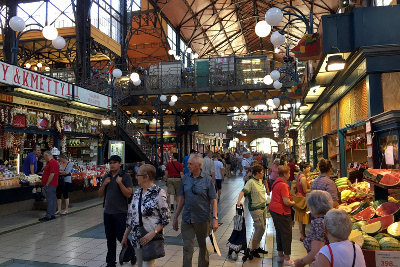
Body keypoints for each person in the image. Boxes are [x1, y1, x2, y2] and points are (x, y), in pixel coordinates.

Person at [173, 154, 219, 267]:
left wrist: (215, 218)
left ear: (199, 165)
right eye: (188, 163)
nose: (187, 166)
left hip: (202, 218)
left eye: (190, 164)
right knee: (187, 246)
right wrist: (175, 217)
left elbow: (213, 200)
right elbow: (182, 199)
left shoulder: (207, 179)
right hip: (187, 217)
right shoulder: (185, 178)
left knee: (204, 246)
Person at [122, 164, 170, 267]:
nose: (136, 177)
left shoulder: (158, 193)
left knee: (147, 265)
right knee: (140, 264)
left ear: (146, 177)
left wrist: (153, 233)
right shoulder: (137, 193)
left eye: (138, 175)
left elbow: (166, 218)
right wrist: (125, 236)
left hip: (151, 237)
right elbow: (131, 216)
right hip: (137, 236)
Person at [98, 155, 135, 267]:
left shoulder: (125, 176)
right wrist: (104, 184)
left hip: (120, 212)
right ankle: (110, 262)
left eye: (115, 162)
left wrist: (120, 183)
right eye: (110, 162)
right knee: (110, 238)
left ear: (120, 164)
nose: (112, 164)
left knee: (120, 236)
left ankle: (131, 252)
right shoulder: (106, 177)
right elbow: (100, 195)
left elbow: (129, 194)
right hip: (108, 212)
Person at [236, 165, 269, 258]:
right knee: (259, 228)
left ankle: (257, 247)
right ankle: (253, 249)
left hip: (263, 207)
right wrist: (239, 201)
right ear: (257, 173)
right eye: (262, 172)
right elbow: (243, 191)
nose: (263, 174)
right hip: (256, 208)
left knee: (262, 228)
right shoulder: (250, 182)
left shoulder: (259, 180)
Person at [294, 190, 332, 267]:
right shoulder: (332, 217)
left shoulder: (318, 223)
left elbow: (316, 252)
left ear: (313, 207)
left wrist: (301, 262)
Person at [269, 165, 295, 266]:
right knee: (286, 235)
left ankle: (280, 255)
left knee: (279, 233)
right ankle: (287, 259)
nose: (289, 175)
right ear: (284, 174)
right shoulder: (283, 185)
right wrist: (294, 203)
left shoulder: (276, 181)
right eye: (288, 173)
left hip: (274, 210)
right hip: (282, 212)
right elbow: (286, 202)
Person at [38, 151, 59, 221]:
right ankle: (52, 214)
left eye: (44, 157)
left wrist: (47, 183)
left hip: (50, 184)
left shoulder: (52, 162)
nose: (44, 158)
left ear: (47, 155)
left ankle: (48, 215)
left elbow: (52, 174)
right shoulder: (52, 162)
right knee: (52, 199)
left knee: (50, 200)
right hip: (52, 184)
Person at [294, 162, 311, 241]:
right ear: (304, 169)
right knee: (302, 218)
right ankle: (302, 235)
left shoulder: (300, 175)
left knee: (302, 218)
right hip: (302, 200)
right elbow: (305, 190)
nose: (309, 168)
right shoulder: (303, 178)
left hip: (301, 197)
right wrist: (313, 188)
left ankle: (303, 234)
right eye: (308, 167)